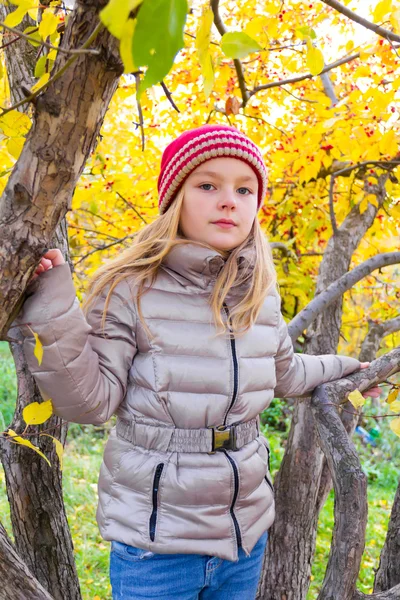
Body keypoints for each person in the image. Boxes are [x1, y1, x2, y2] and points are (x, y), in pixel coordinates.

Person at [13, 124, 380, 600]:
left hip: (244, 537)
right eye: (208, 185)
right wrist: (49, 305)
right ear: (174, 201)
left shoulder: (258, 295)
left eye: (244, 189)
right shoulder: (131, 288)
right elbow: (91, 402)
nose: (229, 200)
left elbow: (285, 373)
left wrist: (348, 368)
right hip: (157, 545)